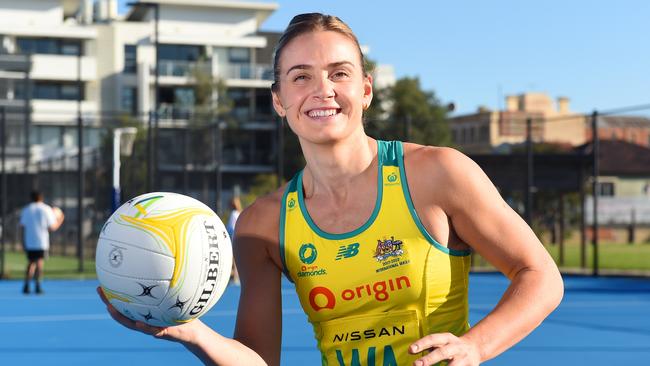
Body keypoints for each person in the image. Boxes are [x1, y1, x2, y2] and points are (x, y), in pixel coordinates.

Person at [98, 13, 563, 365]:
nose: (322, 89)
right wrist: (192, 332)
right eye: (301, 76)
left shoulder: (437, 172)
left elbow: (541, 276)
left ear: (365, 89)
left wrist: (474, 346)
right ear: (279, 100)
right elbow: (259, 360)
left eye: (339, 73)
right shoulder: (264, 224)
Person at [20, 190, 64, 294]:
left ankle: (26, 285)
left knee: (31, 263)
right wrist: (61, 219)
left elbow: (22, 227)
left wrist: (23, 241)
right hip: (41, 241)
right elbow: (52, 227)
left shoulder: (26, 209)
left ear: (31, 198)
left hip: (29, 241)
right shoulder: (46, 209)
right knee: (39, 263)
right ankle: (38, 286)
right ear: (41, 198)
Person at [226, 197, 242, 285]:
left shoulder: (233, 213)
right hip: (238, 237)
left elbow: (231, 227)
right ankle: (236, 277)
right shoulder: (239, 213)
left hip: (232, 236)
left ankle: (235, 277)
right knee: (236, 258)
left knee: (232, 258)